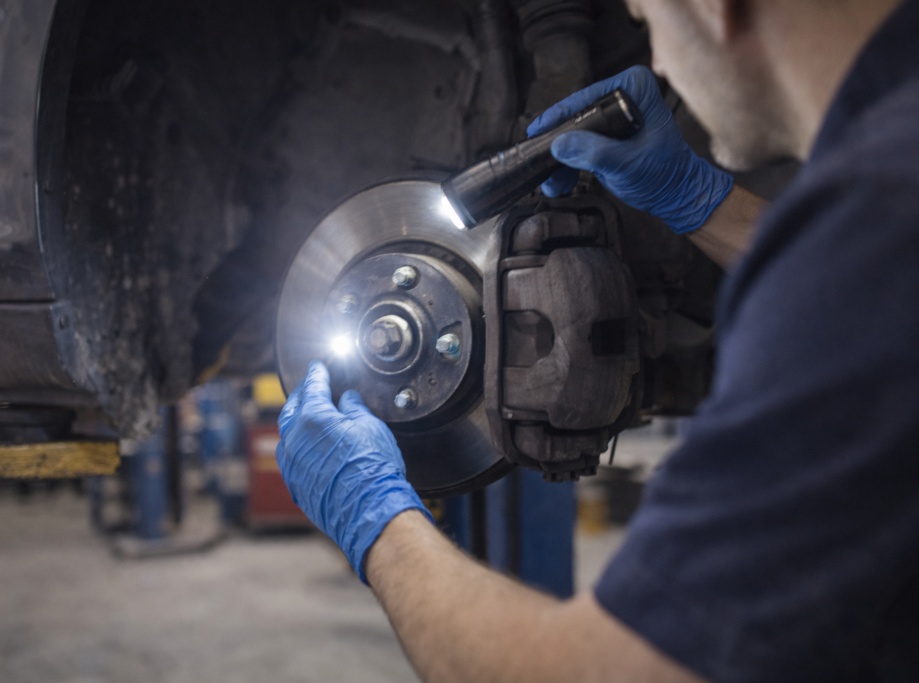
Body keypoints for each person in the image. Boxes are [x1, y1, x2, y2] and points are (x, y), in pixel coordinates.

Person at [276, 0, 919, 680]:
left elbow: (605, 672)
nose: (660, 63)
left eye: (648, 21)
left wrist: (373, 517)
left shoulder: (878, 223)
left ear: (710, 8)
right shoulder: (892, 193)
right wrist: (698, 198)